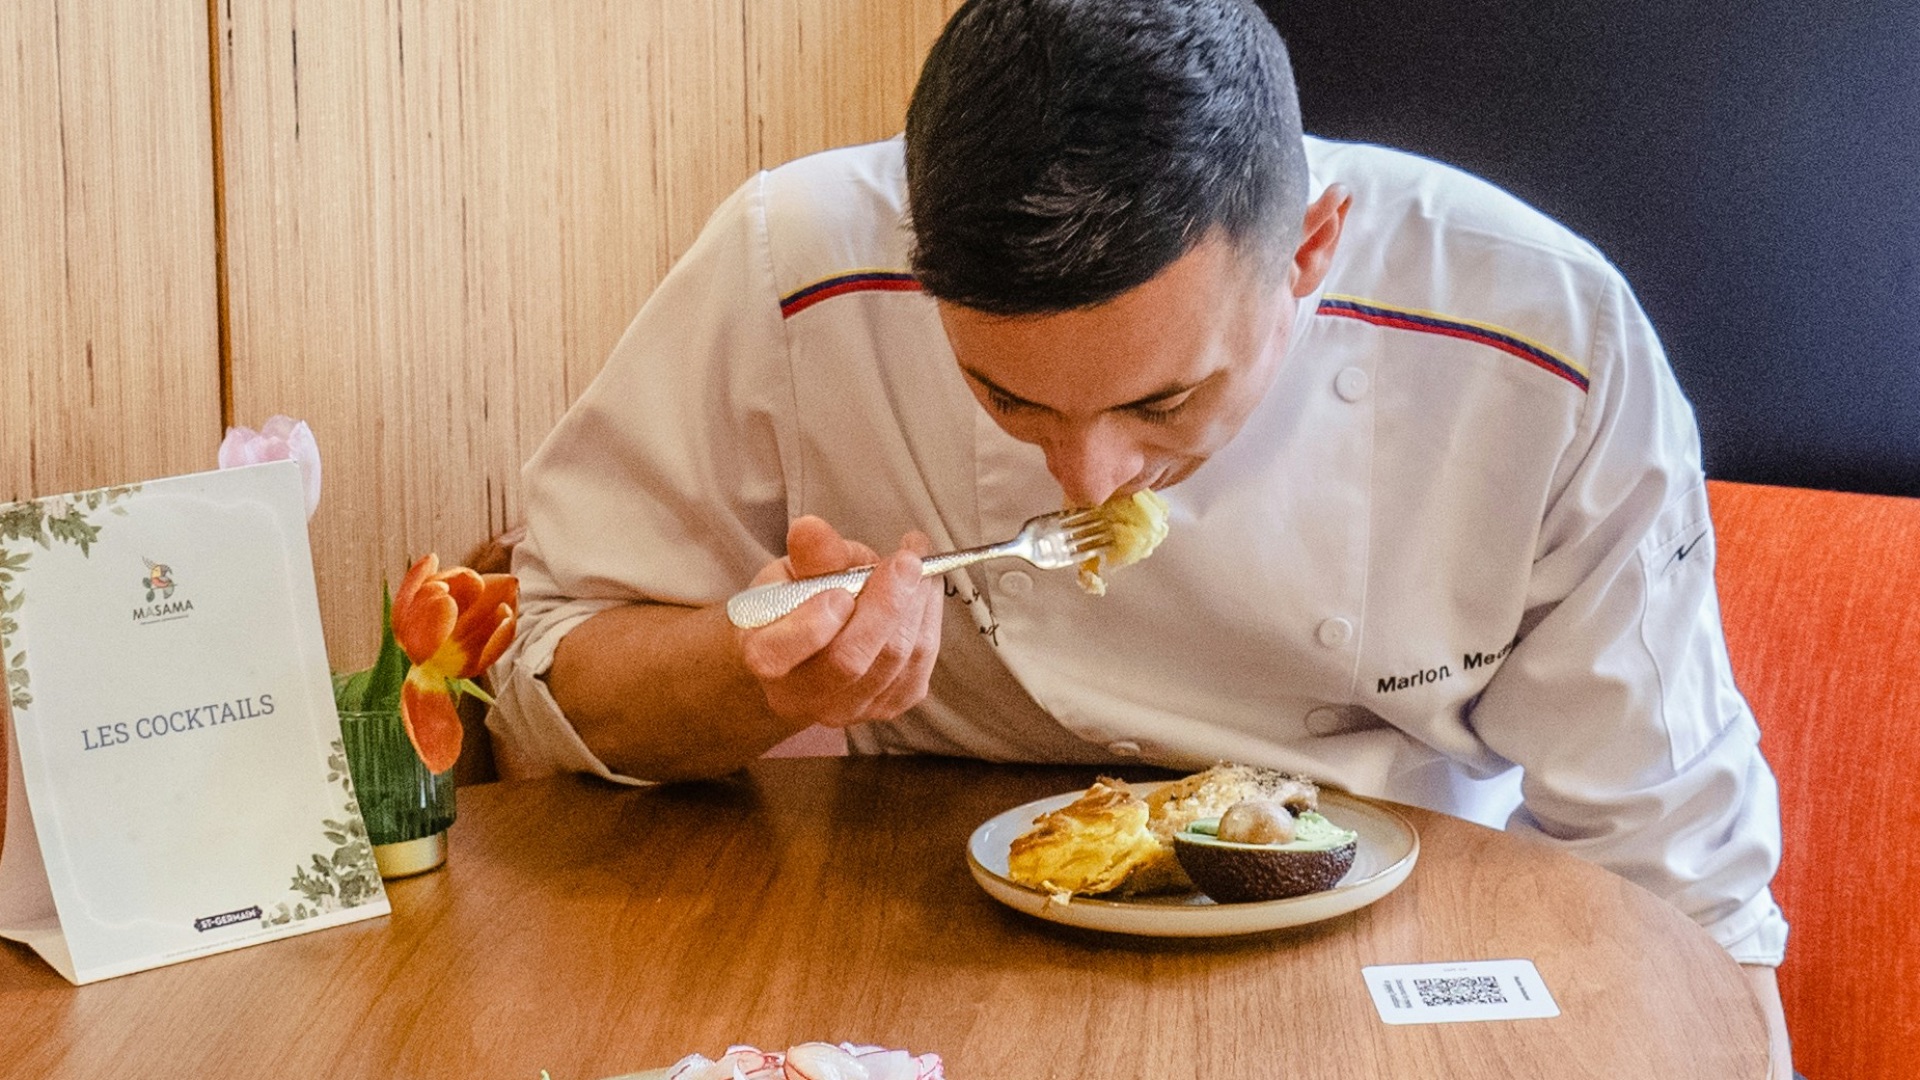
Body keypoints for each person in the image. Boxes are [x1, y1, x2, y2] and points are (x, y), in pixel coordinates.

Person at [489, 0, 1792, 1072]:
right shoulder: (796, 259)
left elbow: (1680, 879)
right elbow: (549, 680)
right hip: (922, 948)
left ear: (1311, 251)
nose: (1086, 477)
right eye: (1006, 398)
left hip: (1387, 946)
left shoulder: (1544, 332)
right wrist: (757, 677)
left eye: (1161, 401)